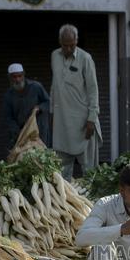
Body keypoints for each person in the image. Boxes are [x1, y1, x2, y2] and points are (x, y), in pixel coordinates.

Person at [50, 24, 101, 179]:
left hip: (83, 122)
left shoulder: (85, 58)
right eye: (65, 46)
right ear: (60, 42)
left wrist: (92, 118)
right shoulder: (54, 56)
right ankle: (64, 201)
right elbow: (54, 86)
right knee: (62, 170)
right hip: (61, 122)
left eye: (72, 45)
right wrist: (52, 112)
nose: (69, 49)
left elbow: (93, 90)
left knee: (89, 171)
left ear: (76, 41)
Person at [3, 63, 51, 149]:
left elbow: (48, 102)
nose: (17, 79)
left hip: (39, 130)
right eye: (14, 77)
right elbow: (8, 118)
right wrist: (19, 132)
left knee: (42, 155)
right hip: (20, 133)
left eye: (19, 76)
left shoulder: (36, 87)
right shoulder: (8, 95)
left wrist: (39, 107)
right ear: (9, 78)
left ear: (23, 75)